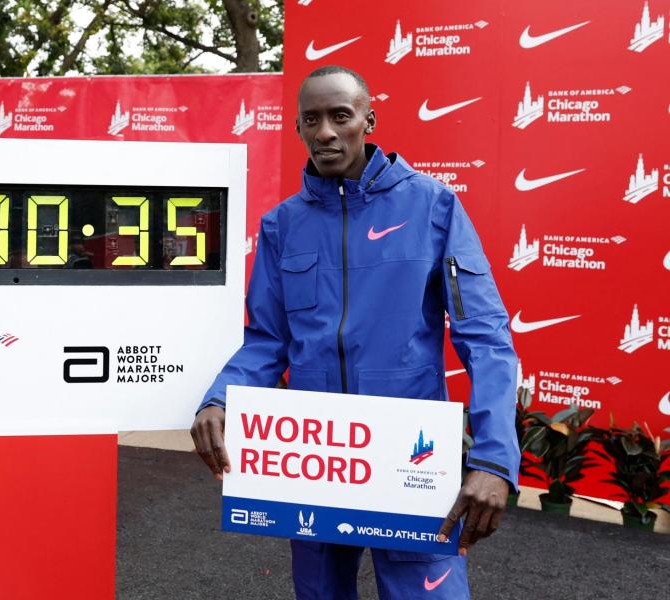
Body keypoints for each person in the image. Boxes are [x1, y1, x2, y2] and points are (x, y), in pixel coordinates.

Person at [190, 65, 520, 599]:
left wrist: (494, 460)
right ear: (297, 128)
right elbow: (267, 342)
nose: (325, 132)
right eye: (311, 119)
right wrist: (220, 397)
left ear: (369, 118)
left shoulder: (434, 207)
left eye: (340, 116)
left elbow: (485, 339)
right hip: (316, 463)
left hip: (411, 464)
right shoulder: (281, 226)